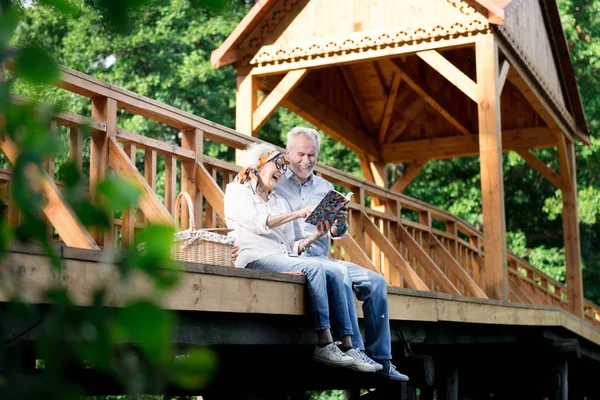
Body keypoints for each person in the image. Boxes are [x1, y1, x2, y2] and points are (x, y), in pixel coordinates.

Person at [224, 142, 377, 372]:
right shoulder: (237, 191)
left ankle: (348, 346)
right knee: (315, 268)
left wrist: (314, 236)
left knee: (334, 270)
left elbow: (291, 245)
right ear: (258, 165)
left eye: (283, 167)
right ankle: (324, 343)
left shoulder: (279, 201)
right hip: (253, 257)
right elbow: (258, 223)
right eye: (277, 164)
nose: (281, 170)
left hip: (281, 256)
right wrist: (298, 213)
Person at [275, 127, 409, 382]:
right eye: (301, 154)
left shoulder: (325, 186)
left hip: (322, 257)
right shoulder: (277, 183)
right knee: (341, 273)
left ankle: (382, 359)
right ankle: (354, 349)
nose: (306, 161)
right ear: (288, 152)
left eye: (312, 155)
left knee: (377, 281)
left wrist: (338, 223)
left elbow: (337, 233)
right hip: (294, 256)